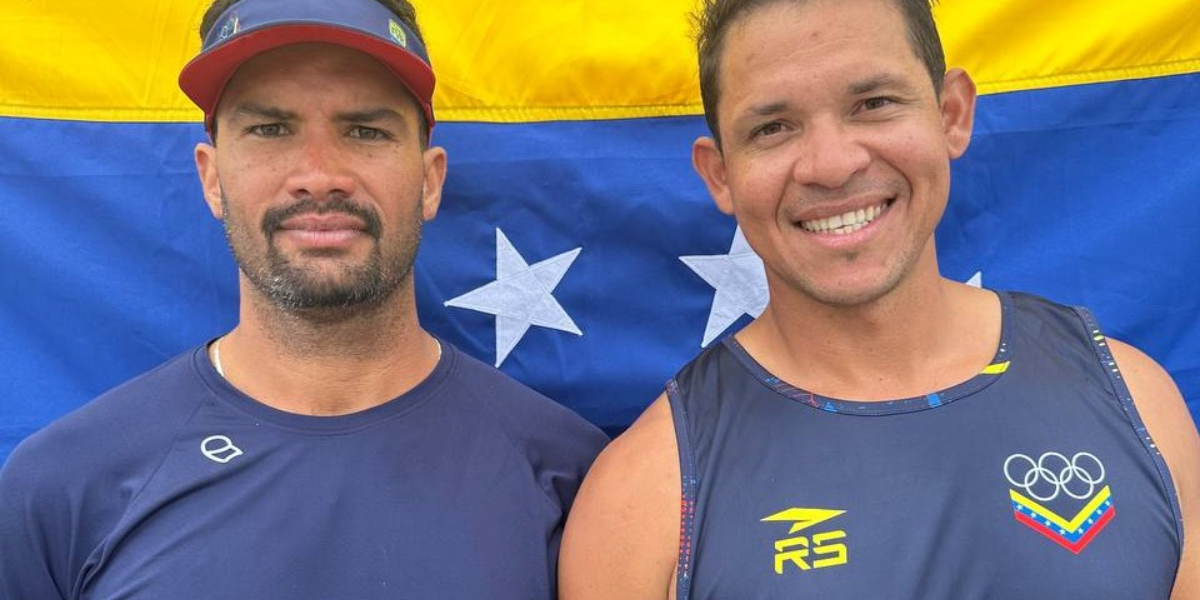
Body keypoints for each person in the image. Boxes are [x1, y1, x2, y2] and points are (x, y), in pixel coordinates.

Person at [559, 0, 1200, 598]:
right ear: (720, 174)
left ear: (951, 114)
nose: (832, 165)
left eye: (874, 103)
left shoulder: (1136, 401)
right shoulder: (643, 499)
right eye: (773, 128)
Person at [0, 0, 607, 598]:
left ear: (429, 181)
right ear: (211, 178)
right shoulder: (63, 484)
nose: (319, 176)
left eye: (365, 131)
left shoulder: (570, 479)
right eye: (270, 130)